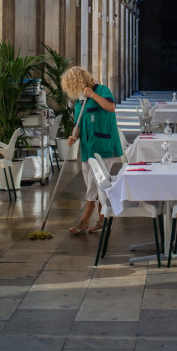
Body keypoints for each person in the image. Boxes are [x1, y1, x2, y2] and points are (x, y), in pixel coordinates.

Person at [64, 65, 122, 235]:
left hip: (103, 146)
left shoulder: (102, 90)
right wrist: (74, 136)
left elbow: (111, 108)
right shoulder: (79, 101)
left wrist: (93, 95)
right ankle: (103, 219)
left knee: (93, 184)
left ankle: (84, 220)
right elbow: (78, 123)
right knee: (97, 185)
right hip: (87, 148)